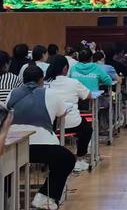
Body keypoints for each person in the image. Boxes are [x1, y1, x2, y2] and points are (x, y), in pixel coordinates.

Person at [7, 66, 76, 210]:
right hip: (44, 146)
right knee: (67, 159)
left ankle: (7, 198)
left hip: (15, 146)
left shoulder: (12, 93)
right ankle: (45, 196)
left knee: (7, 166)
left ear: (23, 80)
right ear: (41, 80)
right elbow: (62, 113)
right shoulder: (50, 93)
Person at [45, 55, 92, 172]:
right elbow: (88, 95)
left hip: (49, 126)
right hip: (72, 124)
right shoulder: (73, 82)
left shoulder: (45, 83)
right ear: (65, 68)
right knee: (87, 129)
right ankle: (80, 158)